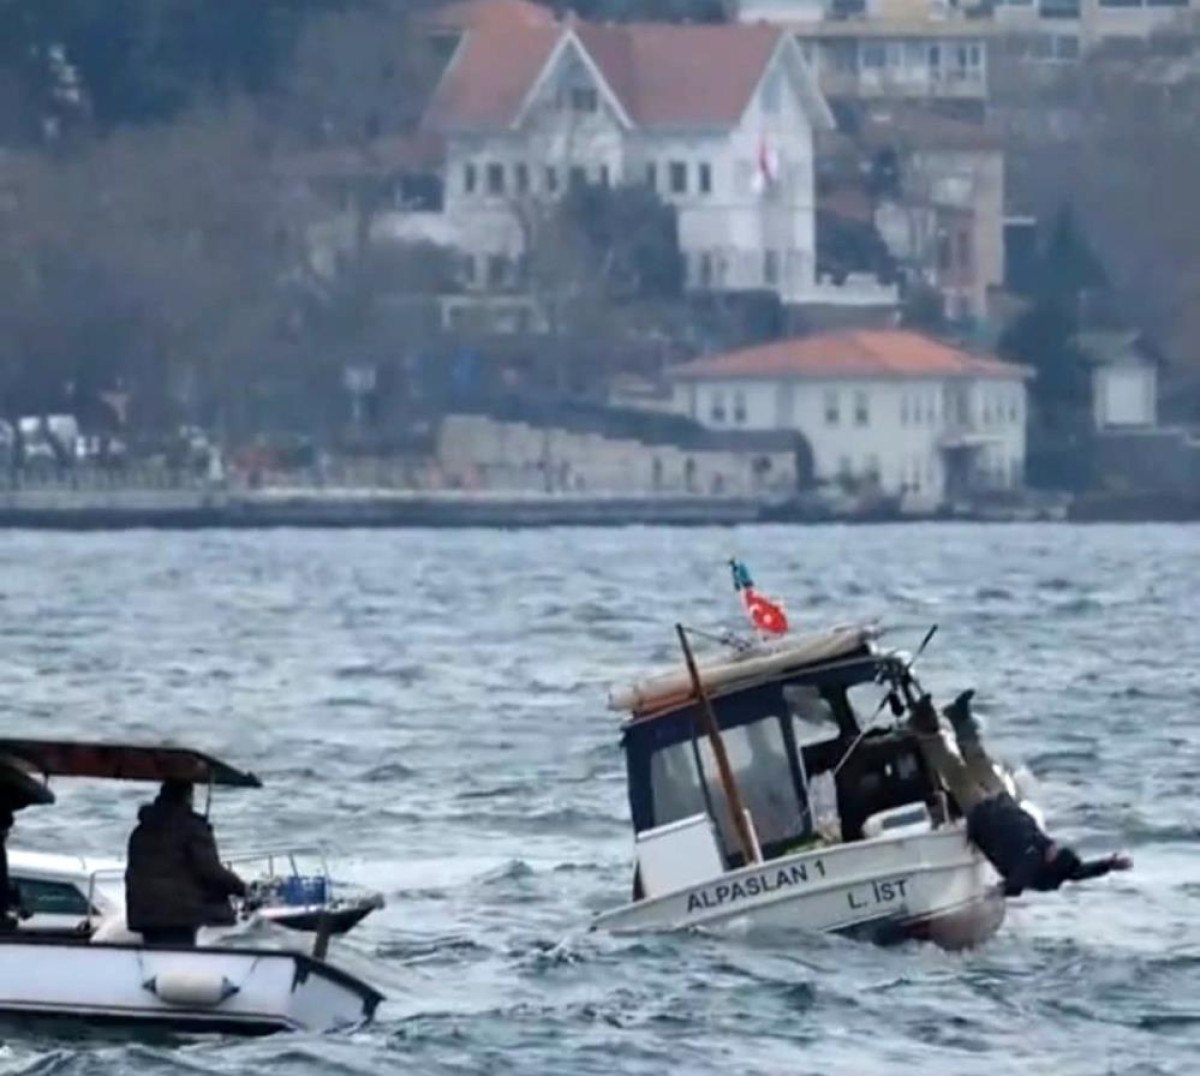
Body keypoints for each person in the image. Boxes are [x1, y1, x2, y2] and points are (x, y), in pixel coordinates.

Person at [910, 689, 1132, 897]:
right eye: (1056, 846)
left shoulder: (1029, 867)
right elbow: (1081, 871)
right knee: (979, 761)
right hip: (1004, 804)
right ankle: (959, 718)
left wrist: (996, 891)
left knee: (954, 771)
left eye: (1054, 851)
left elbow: (1015, 886)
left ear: (1050, 862)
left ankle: (924, 727)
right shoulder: (1058, 862)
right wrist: (1110, 864)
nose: (1053, 845)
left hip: (985, 816)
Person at [125, 778, 248, 947]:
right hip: (181, 915)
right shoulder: (192, 827)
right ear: (188, 796)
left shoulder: (140, 830)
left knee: (158, 957)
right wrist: (242, 888)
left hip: (145, 913)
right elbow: (210, 871)